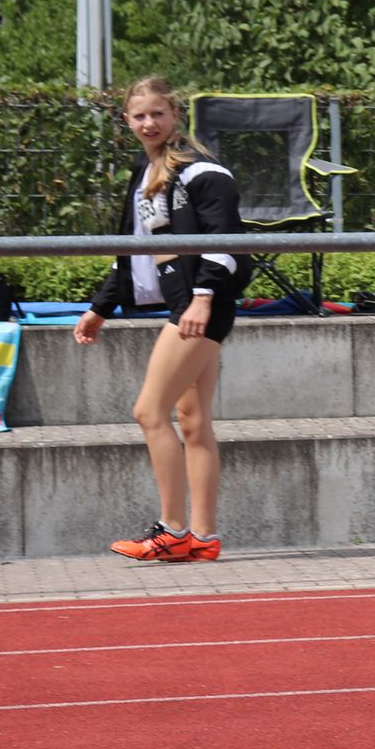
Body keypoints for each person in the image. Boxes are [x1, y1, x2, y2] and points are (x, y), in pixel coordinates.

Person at [74, 77, 249, 564]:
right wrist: (100, 307)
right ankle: (204, 536)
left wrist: (203, 297)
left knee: (149, 412)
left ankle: (171, 530)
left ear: (175, 114)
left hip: (199, 307)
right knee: (193, 422)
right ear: (127, 121)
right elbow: (132, 250)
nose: (149, 123)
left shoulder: (202, 171)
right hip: (185, 305)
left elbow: (228, 242)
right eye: (139, 116)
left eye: (158, 114)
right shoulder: (145, 169)